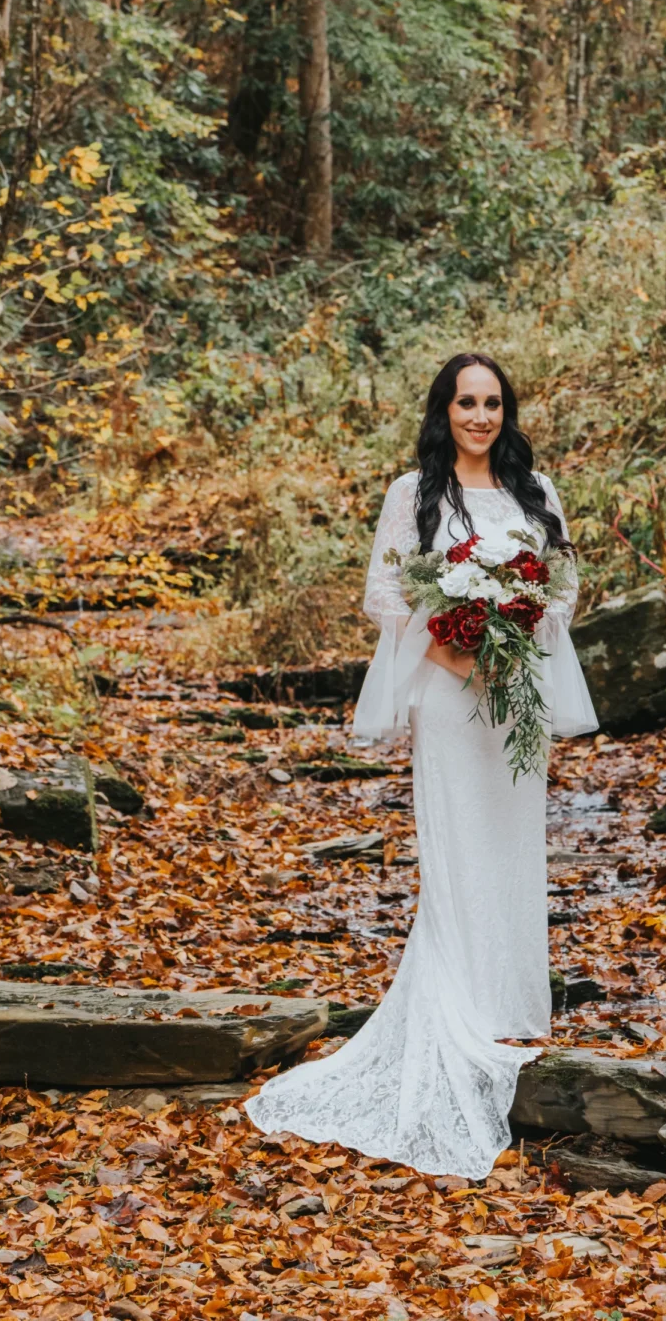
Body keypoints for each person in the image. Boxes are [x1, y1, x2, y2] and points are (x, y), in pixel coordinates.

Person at [244, 352, 598, 1179]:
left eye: (493, 403)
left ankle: (509, 1007)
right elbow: (386, 592)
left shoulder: (536, 492)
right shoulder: (414, 495)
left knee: (513, 847)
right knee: (455, 848)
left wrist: (512, 622)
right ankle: (455, 1011)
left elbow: (563, 589)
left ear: (506, 412)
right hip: (447, 690)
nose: (480, 416)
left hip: (516, 697)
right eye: (466, 403)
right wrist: (456, 638)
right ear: (443, 412)